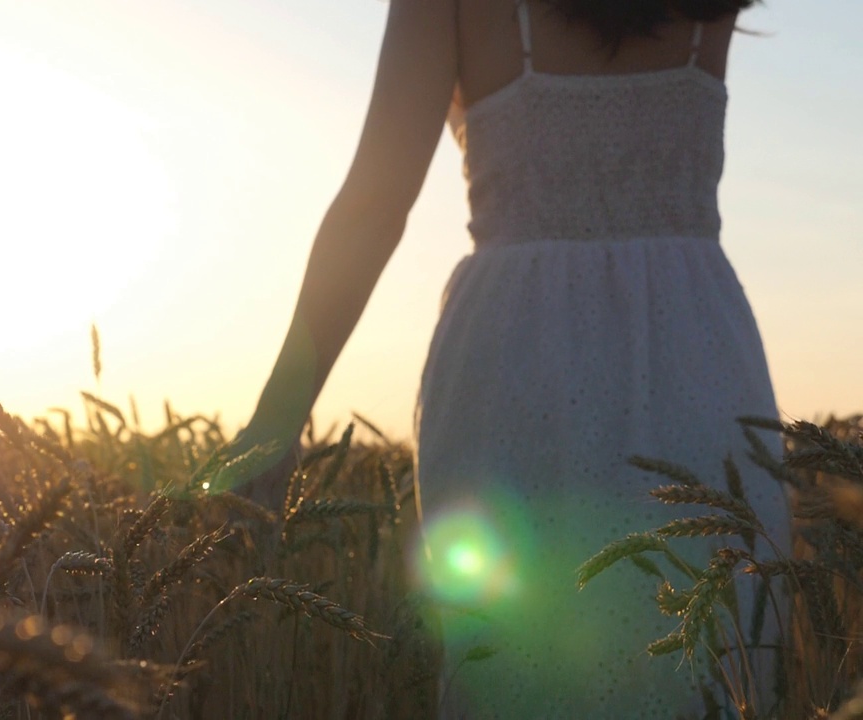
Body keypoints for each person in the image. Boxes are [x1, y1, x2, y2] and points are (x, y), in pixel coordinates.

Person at [233, 0, 793, 717]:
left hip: (515, 359)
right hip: (699, 349)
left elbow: (375, 204)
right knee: (713, 673)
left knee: (516, 668)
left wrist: (277, 417)